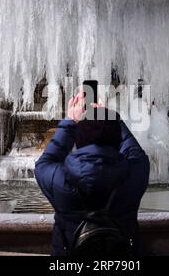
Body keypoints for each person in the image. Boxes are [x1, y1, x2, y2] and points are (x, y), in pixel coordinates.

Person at [35, 90, 150, 256]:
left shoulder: (60, 180)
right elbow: (133, 150)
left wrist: (70, 121)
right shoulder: (134, 174)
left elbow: (45, 162)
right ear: (116, 139)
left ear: (78, 140)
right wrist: (110, 118)